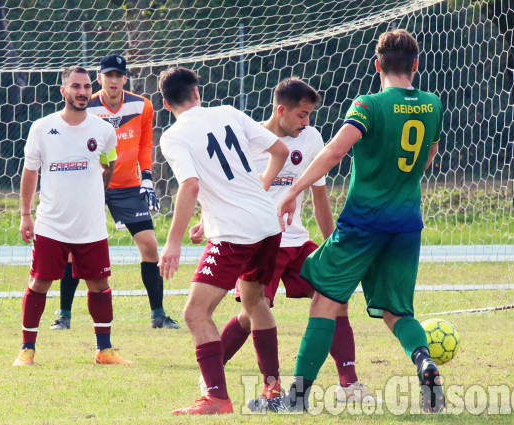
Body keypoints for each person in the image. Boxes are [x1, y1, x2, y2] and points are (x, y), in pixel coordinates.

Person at [262, 29, 444, 413]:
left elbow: (334, 151)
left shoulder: (369, 104)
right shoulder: (433, 104)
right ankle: (424, 360)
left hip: (363, 223)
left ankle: (295, 400)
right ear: (415, 65)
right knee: (398, 312)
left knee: (325, 303)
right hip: (407, 224)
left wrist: (294, 190)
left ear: (377, 65)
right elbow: (428, 159)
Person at [199, 77, 378, 404]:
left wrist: (331, 243)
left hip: (296, 243)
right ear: (281, 110)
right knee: (253, 312)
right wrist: (204, 221)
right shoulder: (246, 141)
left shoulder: (310, 138)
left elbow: (319, 194)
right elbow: (225, 190)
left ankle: (348, 385)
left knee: (334, 298)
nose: (307, 122)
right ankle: (214, 372)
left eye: (309, 115)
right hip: (259, 243)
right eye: (301, 115)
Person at [158, 66, 289, 415]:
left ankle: (216, 397)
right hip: (267, 223)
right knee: (254, 302)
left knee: (195, 312)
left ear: (166, 102)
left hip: (236, 234)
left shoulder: (173, 136)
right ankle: (272, 388)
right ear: (197, 93)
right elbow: (281, 151)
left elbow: (190, 185)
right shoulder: (228, 112)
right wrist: (252, 195)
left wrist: (173, 242)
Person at [13, 66, 133, 366]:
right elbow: (30, 172)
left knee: (100, 285)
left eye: (86, 86)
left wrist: (97, 192)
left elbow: (110, 163)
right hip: (51, 224)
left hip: (90, 225)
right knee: (39, 283)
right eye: (76, 86)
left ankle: (104, 351)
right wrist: (25, 214)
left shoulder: (103, 130)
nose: (82, 92)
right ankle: (27, 350)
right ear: (64, 90)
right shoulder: (42, 127)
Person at [50, 54, 179, 331]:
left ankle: (158, 315)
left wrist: (147, 176)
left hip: (128, 187)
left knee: (149, 244)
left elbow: (145, 145)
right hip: (91, 185)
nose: (113, 80)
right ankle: (64, 316)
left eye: (118, 75)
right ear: (100, 79)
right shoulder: (86, 106)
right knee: (75, 250)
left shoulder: (142, 106)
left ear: (125, 79)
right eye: (108, 75)